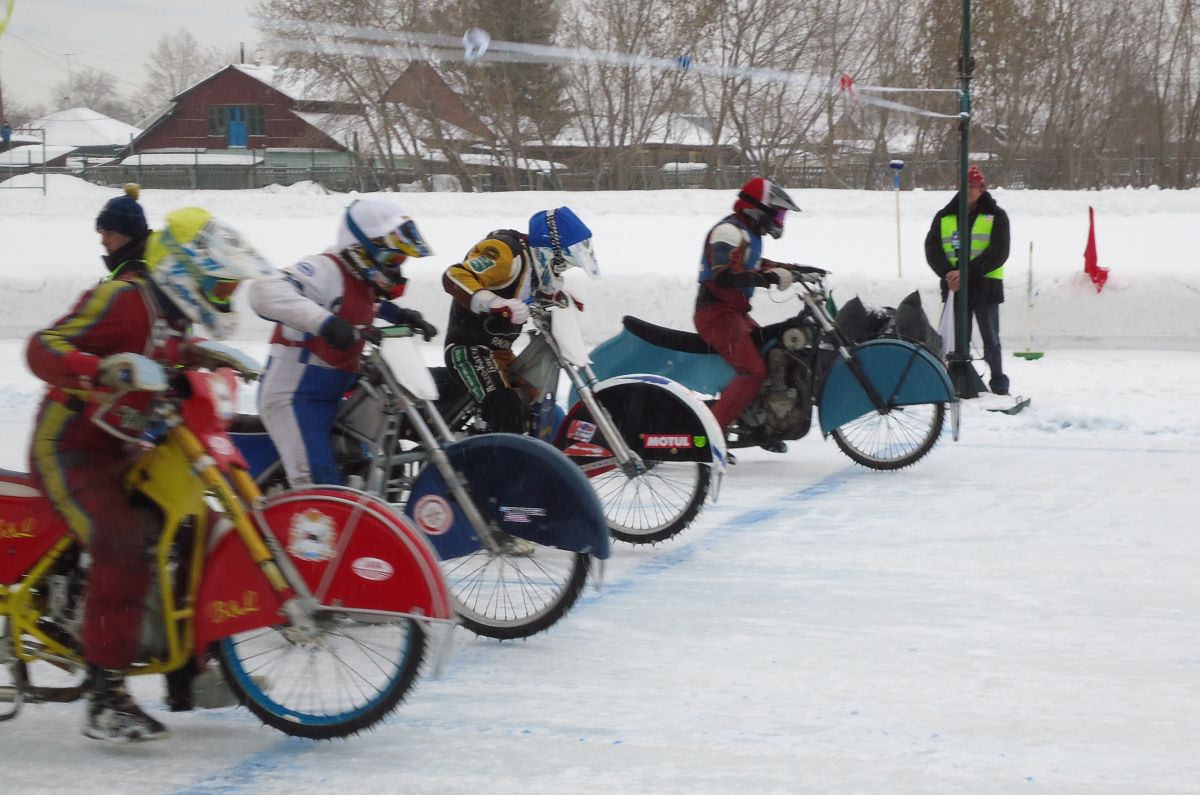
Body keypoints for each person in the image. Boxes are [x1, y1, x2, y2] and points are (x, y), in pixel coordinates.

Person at [26, 207, 274, 741]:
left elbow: (165, 350)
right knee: (123, 542)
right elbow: (42, 346)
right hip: (69, 447)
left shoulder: (171, 315)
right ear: (187, 272)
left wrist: (199, 353)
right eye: (220, 285)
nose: (225, 296)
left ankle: (188, 668)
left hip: (124, 446)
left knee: (195, 524)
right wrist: (98, 369)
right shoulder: (121, 299)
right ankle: (105, 693)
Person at [248, 196, 437, 487]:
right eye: (394, 258)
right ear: (364, 247)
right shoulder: (325, 270)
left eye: (402, 259)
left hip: (334, 394)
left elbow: (363, 303)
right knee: (320, 484)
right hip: (294, 397)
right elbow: (263, 292)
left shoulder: (364, 280)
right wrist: (325, 323)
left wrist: (401, 315)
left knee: (369, 471)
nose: (398, 267)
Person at [441, 207, 597, 434]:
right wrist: (494, 303)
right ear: (548, 250)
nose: (561, 269)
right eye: (561, 263)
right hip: (469, 350)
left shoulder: (534, 265)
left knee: (538, 405)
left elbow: (531, 290)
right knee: (506, 409)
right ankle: (499, 464)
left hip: (499, 354)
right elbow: (455, 276)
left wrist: (558, 296)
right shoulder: (503, 253)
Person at [693, 176, 811, 453]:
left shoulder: (748, 234)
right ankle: (710, 439)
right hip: (716, 314)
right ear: (760, 208)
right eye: (779, 212)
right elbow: (725, 276)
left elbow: (757, 265)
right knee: (752, 371)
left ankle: (761, 428)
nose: (780, 219)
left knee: (772, 355)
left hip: (735, 314)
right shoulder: (728, 232)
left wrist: (796, 270)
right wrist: (770, 277)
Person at [924, 164, 1011, 395]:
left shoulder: (996, 216)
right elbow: (932, 248)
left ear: (982, 188)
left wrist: (966, 272)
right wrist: (948, 272)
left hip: (986, 288)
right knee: (956, 338)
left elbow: (999, 252)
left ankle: (998, 382)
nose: (970, 190)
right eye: (966, 186)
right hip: (955, 288)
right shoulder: (944, 216)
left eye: (974, 186)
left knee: (990, 337)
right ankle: (958, 380)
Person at [95, 183, 150, 279]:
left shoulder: (133, 278)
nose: (103, 242)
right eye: (102, 233)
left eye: (109, 233)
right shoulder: (127, 269)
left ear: (132, 235)